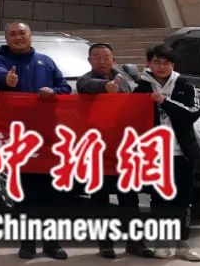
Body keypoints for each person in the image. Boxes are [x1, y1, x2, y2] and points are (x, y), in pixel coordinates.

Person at [0, 21, 71, 260]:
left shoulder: (46, 61)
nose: (18, 37)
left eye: (22, 33)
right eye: (13, 34)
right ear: (7, 39)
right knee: (24, 193)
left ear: (30, 35)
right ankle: (28, 244)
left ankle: (52, 243)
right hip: (18, 137)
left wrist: (54, 92)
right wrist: (8, 80)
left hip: (47, 136)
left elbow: (65, 87)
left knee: (51, 193)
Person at [76, 43, 154, 259]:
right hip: (98, 150)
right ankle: (105, 243)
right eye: (97, 57)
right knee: (100, 199)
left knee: (130, 199)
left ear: (113, 59)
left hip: (124, 149)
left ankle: (135, 242)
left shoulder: (125, 80)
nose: (102, 61)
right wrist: (105, 87)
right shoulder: (84, 80)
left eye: (106, 57)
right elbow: (87, 85)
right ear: (89, 60)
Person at [133, 45, 200, 262]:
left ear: (173, 65)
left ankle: (182, 244)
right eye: (157, 62)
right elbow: (132, 119)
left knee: (183, 200)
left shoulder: (185, 86)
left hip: (182, 152)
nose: (161, 67)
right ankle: (162, 243)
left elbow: (192, 113)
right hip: (156, 155)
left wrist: (164, 101)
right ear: (149, 64)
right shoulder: (141, 88)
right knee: (159, 200)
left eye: (166, 63)